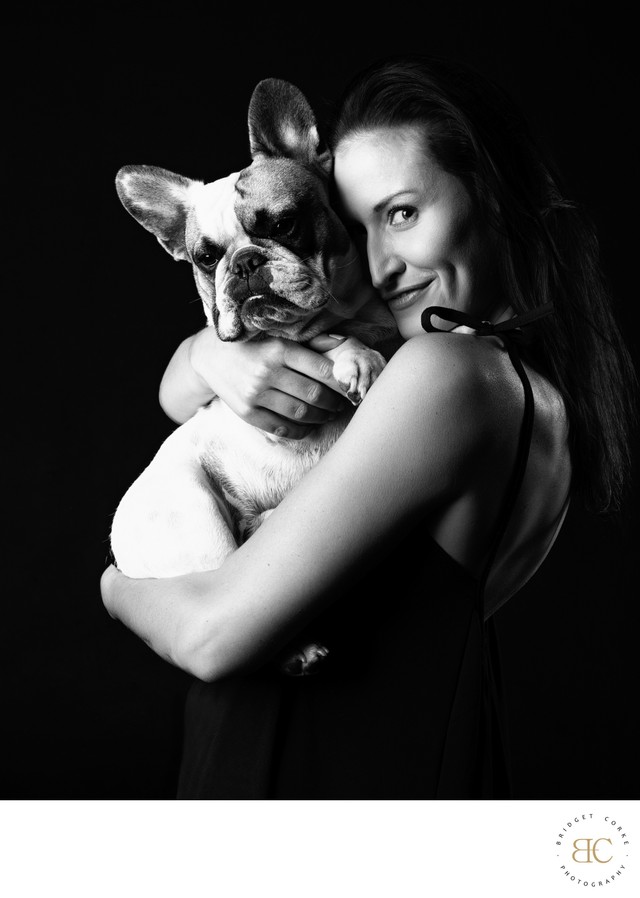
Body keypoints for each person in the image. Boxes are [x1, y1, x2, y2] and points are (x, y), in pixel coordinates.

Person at [100, 54, 636, 799]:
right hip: (390, 759)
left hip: (319, 775)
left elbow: (209, 632)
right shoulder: (524, 389)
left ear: (491, 193)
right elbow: (192, 394)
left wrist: (111, 588)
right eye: (357, 225)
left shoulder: (448, 373)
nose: (377, 263)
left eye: (404, 213)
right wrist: (204, 357)